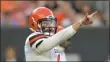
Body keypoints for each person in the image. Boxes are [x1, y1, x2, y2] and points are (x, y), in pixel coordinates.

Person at [24, 7, 97, 61]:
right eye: (45, 23)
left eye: (51, 22)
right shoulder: (32, 38)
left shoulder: (56, 49)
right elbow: (48, 44)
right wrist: (80, 23)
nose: (49, 26)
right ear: (34, 24)